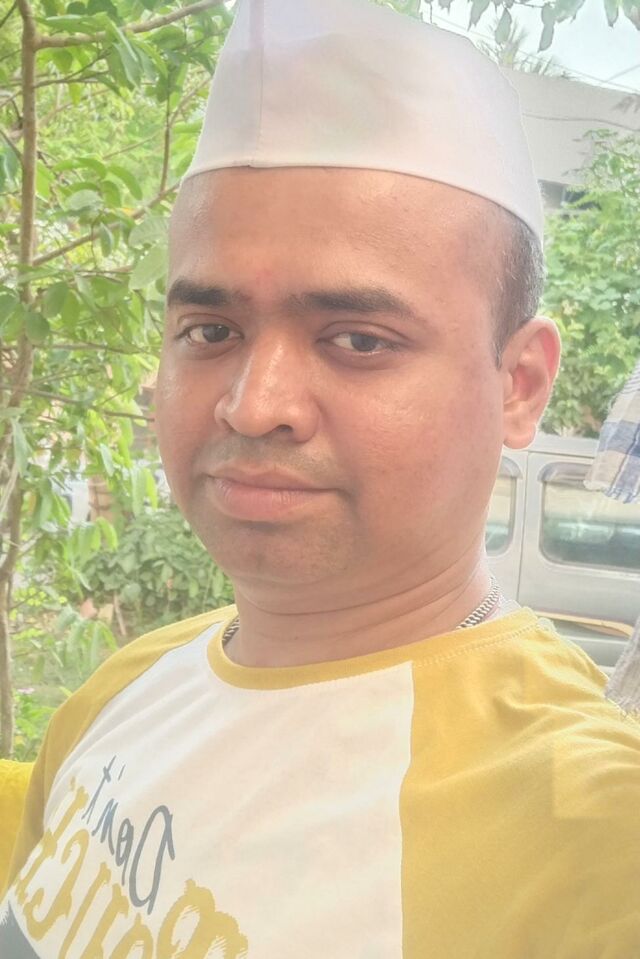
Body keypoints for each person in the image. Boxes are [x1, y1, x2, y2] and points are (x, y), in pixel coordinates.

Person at [2, 0, 639, 955]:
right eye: (210, 330)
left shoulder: (586, 838)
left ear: (519, 385)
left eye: (358, 340)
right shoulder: (131, 682)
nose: (254, 404)